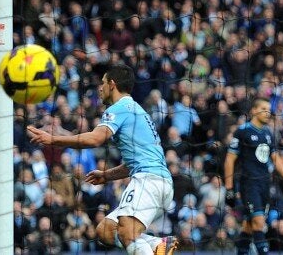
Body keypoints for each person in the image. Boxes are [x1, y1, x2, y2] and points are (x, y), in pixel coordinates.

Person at [28, 64, 177, 255]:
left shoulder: (119, 108)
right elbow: (133, 163)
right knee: (105, 231)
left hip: (148, 181)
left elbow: (95, 138)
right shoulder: (137, 110)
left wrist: (53, 140)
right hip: (160, 183)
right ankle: (158, 245)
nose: (100, 87)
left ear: (112, 84)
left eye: (103, 83)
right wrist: (107, 175)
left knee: (126, 233)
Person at [224, 97, 283, 255]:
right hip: (249, 184)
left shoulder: (268, 133)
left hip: (265, 185)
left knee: (249, 225)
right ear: (254, 111)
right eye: (263, 109)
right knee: (259, 222)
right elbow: (230, 160)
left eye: (269, 110)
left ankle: (241, 252)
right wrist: (229, 188)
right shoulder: (243, 131)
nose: (267, 113)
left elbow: (275, 157)